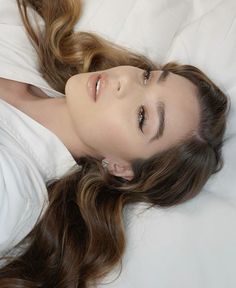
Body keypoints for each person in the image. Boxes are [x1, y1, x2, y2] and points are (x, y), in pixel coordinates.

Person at [0, 0, 230, 287]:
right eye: (147, 77)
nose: (125, 82)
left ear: (120, 167)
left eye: (142, 116)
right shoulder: (28, 30)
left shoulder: (13, 192)